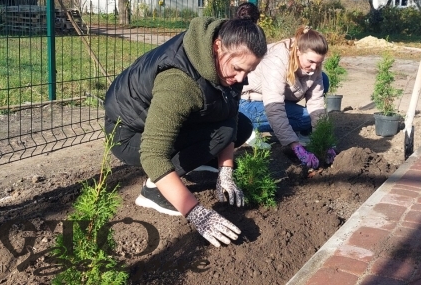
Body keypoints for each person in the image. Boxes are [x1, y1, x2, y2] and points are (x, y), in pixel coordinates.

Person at [103, 15, 267, 247]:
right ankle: (153, 190)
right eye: (237, 69)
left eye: (248, 71)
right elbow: (152, 153)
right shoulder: (179, 81)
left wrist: (226, 172)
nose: (241, 78)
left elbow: (229, 114)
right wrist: (196, 212)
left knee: (241, 126)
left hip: (164, 120)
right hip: (129, 134)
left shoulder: (229, 65)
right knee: (219, 134)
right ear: (217, 46)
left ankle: (193, 162)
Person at [238, 26, 336, 170]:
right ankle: (249, 128)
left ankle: (295, 130)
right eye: (311, 62)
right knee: (305, 118)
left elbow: (316, 103)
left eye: (319, 62)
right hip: (248, 102)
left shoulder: (313, 65)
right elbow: (274, 108)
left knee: (324, 80)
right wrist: (293, 145)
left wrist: (326, 142)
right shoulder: (277, 60)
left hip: (276, 95)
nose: (315, 67)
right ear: (298, 51)